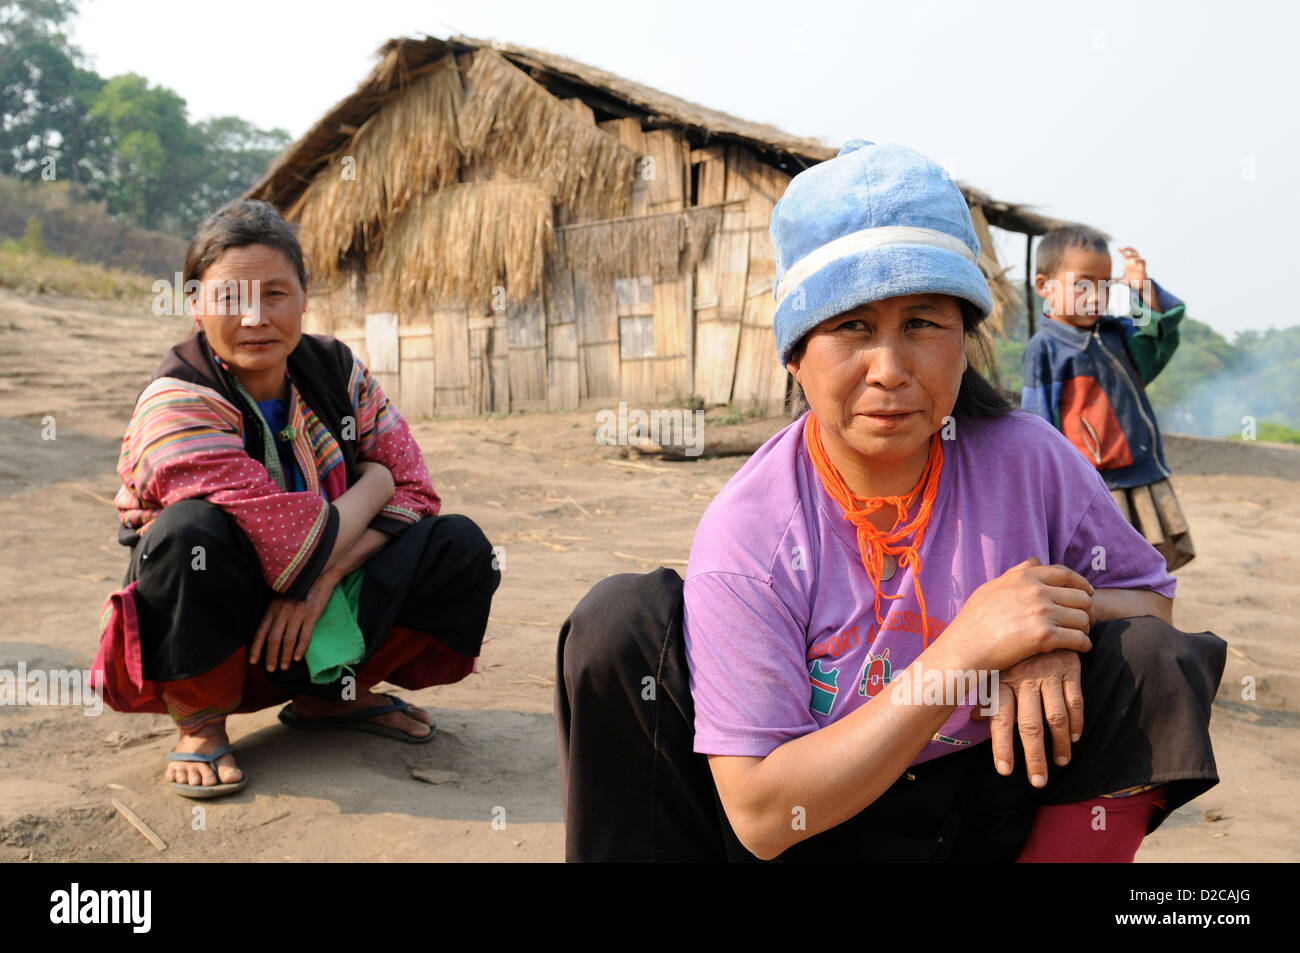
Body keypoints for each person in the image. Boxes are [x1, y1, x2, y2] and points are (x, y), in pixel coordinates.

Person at [554, 141, 1226, 862]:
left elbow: (1150, 605)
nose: (891, 368)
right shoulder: (754, 526)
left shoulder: (1029, 461)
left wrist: (1042, 625)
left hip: (979, 806)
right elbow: (760, 813)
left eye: (922, 322)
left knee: (1151, 660)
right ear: (795, 354)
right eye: (852, 326)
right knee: (620, 621)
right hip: (814, 821)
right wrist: (967, 647)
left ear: (963, 339)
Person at [94, 200, 501, 799]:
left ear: (305, 295)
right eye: (230, 298)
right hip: (228, 620)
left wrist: (319, 579)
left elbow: (416, 487)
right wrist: (375, 483)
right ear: (196, 305)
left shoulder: (335, 369)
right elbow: (291, 540)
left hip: (320, 602)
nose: (255, 318)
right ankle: (202, 725)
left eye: (275, 294)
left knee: (458, 546)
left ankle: (331, 697)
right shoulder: (175, 400)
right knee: (188, 535)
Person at [1021, 227, 1194, 570]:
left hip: (1142, 478)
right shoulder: (1047, 349)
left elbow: (1155, 330)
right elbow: (1038, 426)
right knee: (1100, 575)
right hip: (1094, 488)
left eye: (1104, 285)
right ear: (1044, 287)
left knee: (1148, 570)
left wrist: (1139, 286)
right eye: (1083, 284)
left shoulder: (1116, 335)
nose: (1095, 296)